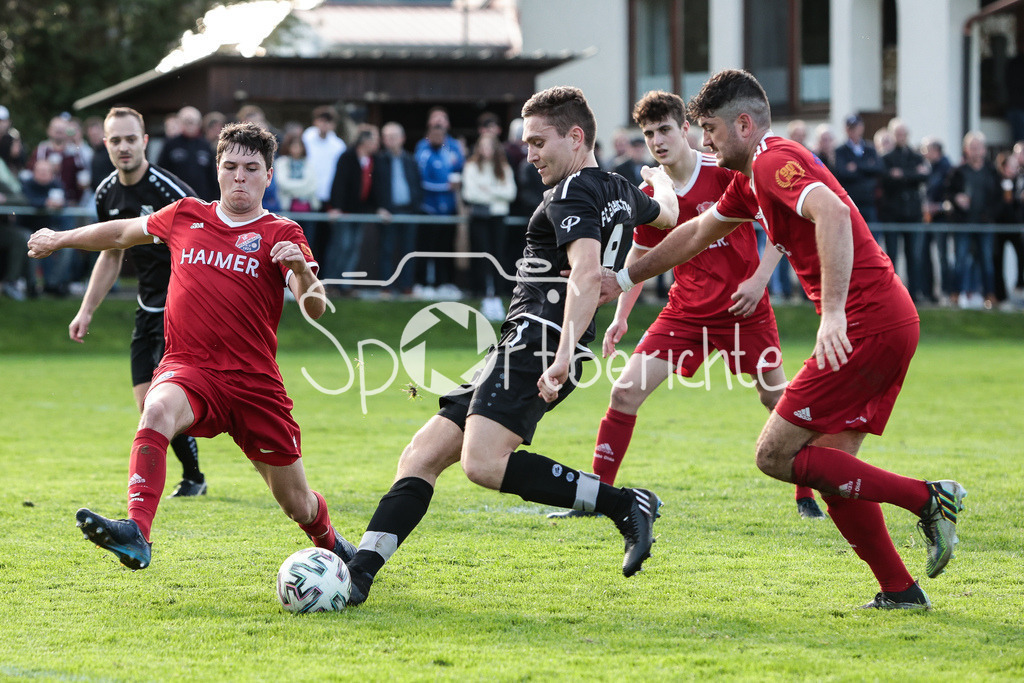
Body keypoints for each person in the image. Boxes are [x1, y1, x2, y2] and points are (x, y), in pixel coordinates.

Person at [601, 69, 966, 610]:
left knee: (774, 453)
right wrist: (626, 277)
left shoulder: (772, 160)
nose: (706, 142)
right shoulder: (749, 177)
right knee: (829, 466)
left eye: (711, 130)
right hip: (886, 322)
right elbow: (696, 234)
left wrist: (834, 314)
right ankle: (900, 590)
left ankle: (927, 498)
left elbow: (834, 212)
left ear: (743, 124)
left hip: (865, 324)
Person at [340, 86, 679, 606]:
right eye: (526, 144)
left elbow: (586, 276)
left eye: (539, 142)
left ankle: (623, 503)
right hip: (522, 341)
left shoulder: (571, 193)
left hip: (540, 339)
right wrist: (655, 182)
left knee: (482, 463)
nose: (530, 154)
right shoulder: (618, 187)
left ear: (575, 136)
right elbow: (667, 217)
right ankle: (359, 573)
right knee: (422, 454)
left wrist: (564, 353)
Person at [27, 122, 355, 571]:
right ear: (218, 170)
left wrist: (303, 272)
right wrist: (60, 238)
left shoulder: (283, 233)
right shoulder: (185, 215)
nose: (240, 176)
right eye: (231, 166)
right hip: (190, 368)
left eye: (252, 168)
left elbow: (315, 309)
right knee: (156, 410)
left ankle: (334, 546)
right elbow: (121, 234)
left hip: (253, 384)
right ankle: (138, 532)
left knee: (296, 503)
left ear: (268, 176)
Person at [549, 90, 823, 522]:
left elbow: (778, 225)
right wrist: (621, 317)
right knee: (623, 392)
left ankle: (806, 494)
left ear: (685, 129)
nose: (657, 140)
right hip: (686, 313)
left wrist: (758, 279)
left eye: (665, 130)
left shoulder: (725, 172)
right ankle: (596, 497)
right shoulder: (652, 193)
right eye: (648, 133)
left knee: (777, 400)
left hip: (743, 309)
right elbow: (640, 255)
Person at [70, 106, 207, 497]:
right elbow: (111, 253)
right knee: (145, 402)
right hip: (147, 308)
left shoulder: (170, 191)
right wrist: (86, 309)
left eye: (131, 139)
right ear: (106, 144)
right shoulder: (105, 193)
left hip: (183, 312)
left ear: (145, 141)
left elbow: (207, 240)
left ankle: (191, 478)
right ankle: (194, 475)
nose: (124, 147)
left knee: (161, 404)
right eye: (116, 140)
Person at [460, 132, 517, 318]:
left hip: (498, 217)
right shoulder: (471, 167)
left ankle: (497, 294)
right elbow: (470, 195)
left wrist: (487, 190)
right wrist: (496, 193)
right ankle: (483, 293)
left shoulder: (504, 168)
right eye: (483, 146)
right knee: (482, 254)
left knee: (498, 254)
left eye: (490, 146)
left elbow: (510, 193)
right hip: (479, 218)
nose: (486, 150)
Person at [946, 131, 1000, 309]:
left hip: (985, 224)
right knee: (960, 260)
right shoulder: (958, 172)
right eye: (972, 147)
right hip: (964, 223)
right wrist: (956, 199)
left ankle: (990, 296)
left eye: (979, 147)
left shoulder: (992, 171)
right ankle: (955, 295)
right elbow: (948, 193)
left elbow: (999, 198)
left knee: (987, 260)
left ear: (984, 150)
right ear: (966, 150)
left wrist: (990, 215)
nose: (976, 151)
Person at [414, 107, 464, 292]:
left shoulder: (453, 147)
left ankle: (445, 283)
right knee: (427, 247)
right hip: (429, 208)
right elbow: (422, 180)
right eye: (434, 133)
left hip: (448, 209)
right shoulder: (423, 149)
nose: (438, 137)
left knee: (447, 246)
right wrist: (445, 186)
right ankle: (423, 283)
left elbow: (460, 169)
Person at [879, 119, 930, 303]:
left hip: (913, 214)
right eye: (897, 134)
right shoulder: (886, 158)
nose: (901, 137)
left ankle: (914, 294)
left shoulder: (916, 157)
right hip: (892, 214)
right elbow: (887, 179)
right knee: (891, 256)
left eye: (903, 134)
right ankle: (893, 295)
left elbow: (924, 175)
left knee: (914, 256)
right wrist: (911, 175)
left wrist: (902, 175)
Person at [327, 125, 380, 291]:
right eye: (374, 139)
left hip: (360, 212)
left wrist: (376, 207)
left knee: (354, 249)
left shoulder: (373, 160)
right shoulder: (347, 157)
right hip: (344, 212)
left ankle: (345, 284)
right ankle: (331, 282)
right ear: (365, 141)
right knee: (341, 246)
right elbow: (339, 182)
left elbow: (374, 186)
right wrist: (336, 207)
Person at [372, 121, 421, 295]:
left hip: (409, 211)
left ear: (402, 138)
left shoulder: (410, 159)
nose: (390, 140)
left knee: (408, 251)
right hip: (388, 212)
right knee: (386, 250)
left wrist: (416, 207)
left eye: (393, 137)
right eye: (386, 137)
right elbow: (374, 187)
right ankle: (387, 287)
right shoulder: (378, 160)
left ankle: (406, 287)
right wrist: (378, 207)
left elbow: (416, 184)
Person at [157, 106, 218, 201]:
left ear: (199, 123)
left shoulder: (206, 146)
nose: (190, 125)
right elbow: (161, 171)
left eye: (193, 122)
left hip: (202, 199)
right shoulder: (170, 145)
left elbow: (214, 175)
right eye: (187, 122)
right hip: (175, 199)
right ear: (180, 122)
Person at [833, 114, 882, 224]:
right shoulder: (840, 151)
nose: (854, 131)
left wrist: (856, 166)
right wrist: (866, 168)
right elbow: (843, 172)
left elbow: (878, 168)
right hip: (851, 200)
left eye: (856, 127)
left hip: (869, 200)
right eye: (851, 128)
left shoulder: (870, 149)